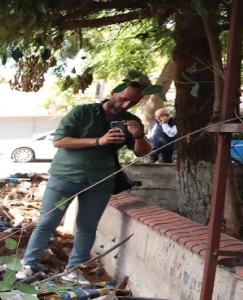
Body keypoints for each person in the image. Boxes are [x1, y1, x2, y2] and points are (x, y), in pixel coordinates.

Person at [17, 80, 153, 281]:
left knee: (87, 227)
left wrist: (139, 135)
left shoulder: (131, 120)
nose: (126, 105)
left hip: (101, 180)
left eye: (132, 102)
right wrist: (99, 141)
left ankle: (73, 271)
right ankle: (28, 265)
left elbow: (141, 152)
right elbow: (59, 140)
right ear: (114, 91)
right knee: (47, 222)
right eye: (124, 99)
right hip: (65, 177)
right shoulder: (82, 112)